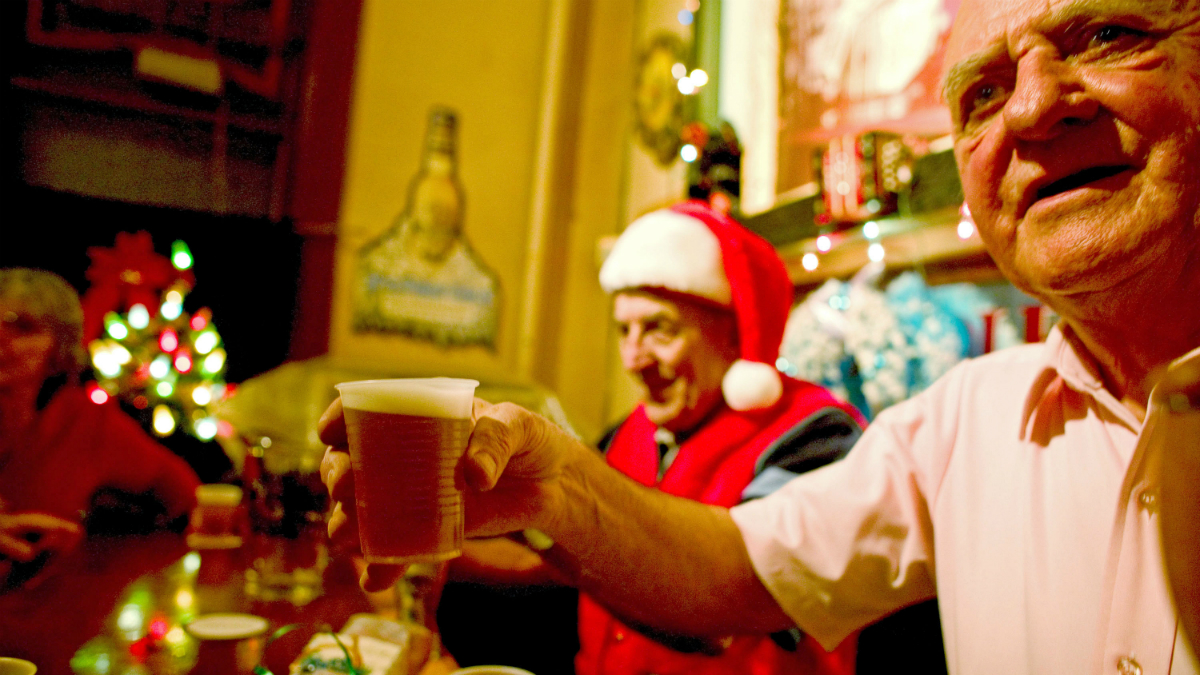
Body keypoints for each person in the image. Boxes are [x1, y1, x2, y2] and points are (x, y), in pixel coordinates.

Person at [320, 0, 1200, 672]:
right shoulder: (962, 419)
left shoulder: (812, 428)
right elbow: (741, 568)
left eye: (1106, 36)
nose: (1036, 106)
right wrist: (553, 487)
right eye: (982, 93)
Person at [442, 201, 867, 675]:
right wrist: (444, 549)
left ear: (733, 335)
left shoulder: (816, 435)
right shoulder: (629, 432)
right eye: (625, 330)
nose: (633, 358)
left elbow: (731, 608)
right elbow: (564, 558)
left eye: (659, 331)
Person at [0, 268, 200, 592]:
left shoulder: (86, 422)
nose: (0, 336)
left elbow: (186, 499)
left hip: (33, 618)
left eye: (22, 327)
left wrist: (105, 557)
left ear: (58, 353)